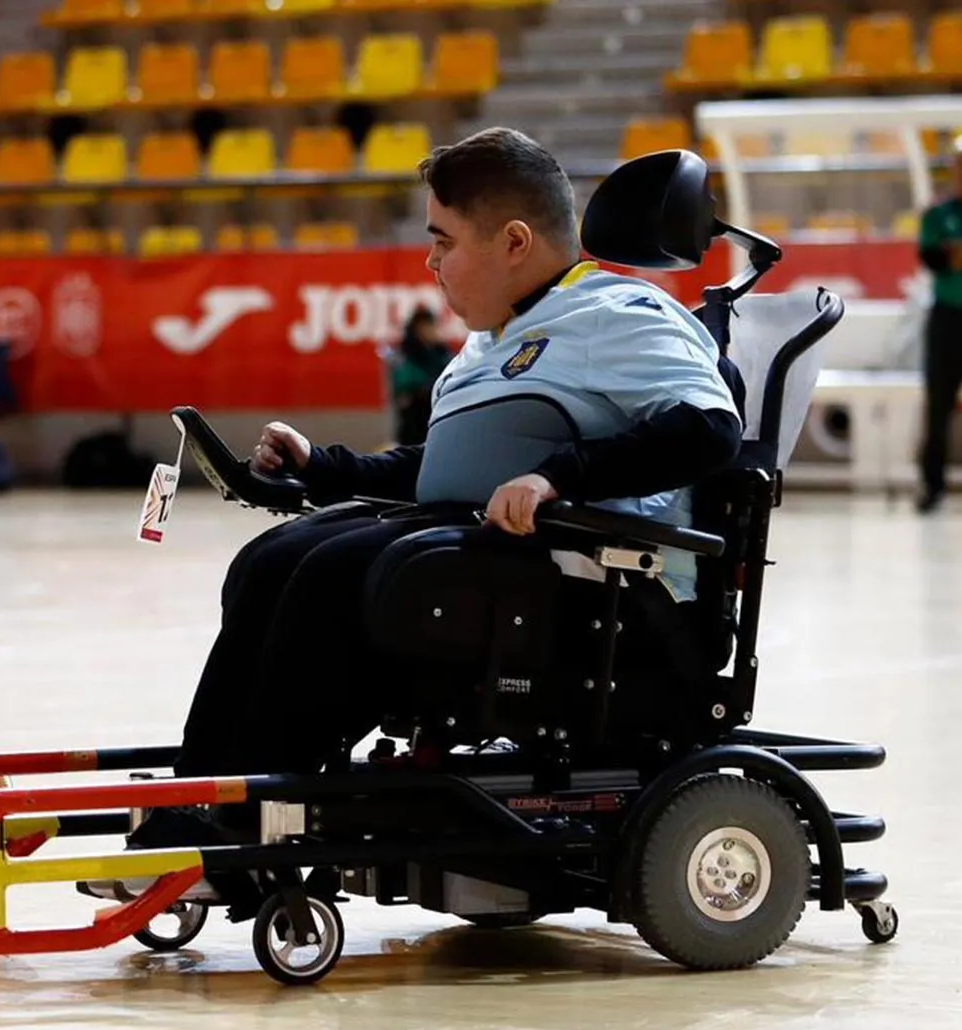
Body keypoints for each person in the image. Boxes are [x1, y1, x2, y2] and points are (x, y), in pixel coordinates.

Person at [121, 127, 744, 867]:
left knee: (330, 573)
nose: (430, 261)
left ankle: (250, 820)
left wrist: (560, 476)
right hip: (500, 558)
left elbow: (710, 429)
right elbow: (443, 469)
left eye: (443, 240)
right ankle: (204, 794)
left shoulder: (617, 314)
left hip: (604, 594)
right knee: (274, 557)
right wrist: (322, 467)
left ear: (514, 242)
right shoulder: (494, 337)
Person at [917, 136, 962, 514]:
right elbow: (935, 258)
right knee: (938, 407)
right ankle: (932, 485)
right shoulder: (938, 213)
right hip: (949, 319)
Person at [389, 307, 452, 445]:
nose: (433, 330)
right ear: (419, 329)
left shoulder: (441, 352)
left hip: (438, 420)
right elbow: (404, 386)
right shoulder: (406, 354)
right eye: (429, 326)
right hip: (414, 423)